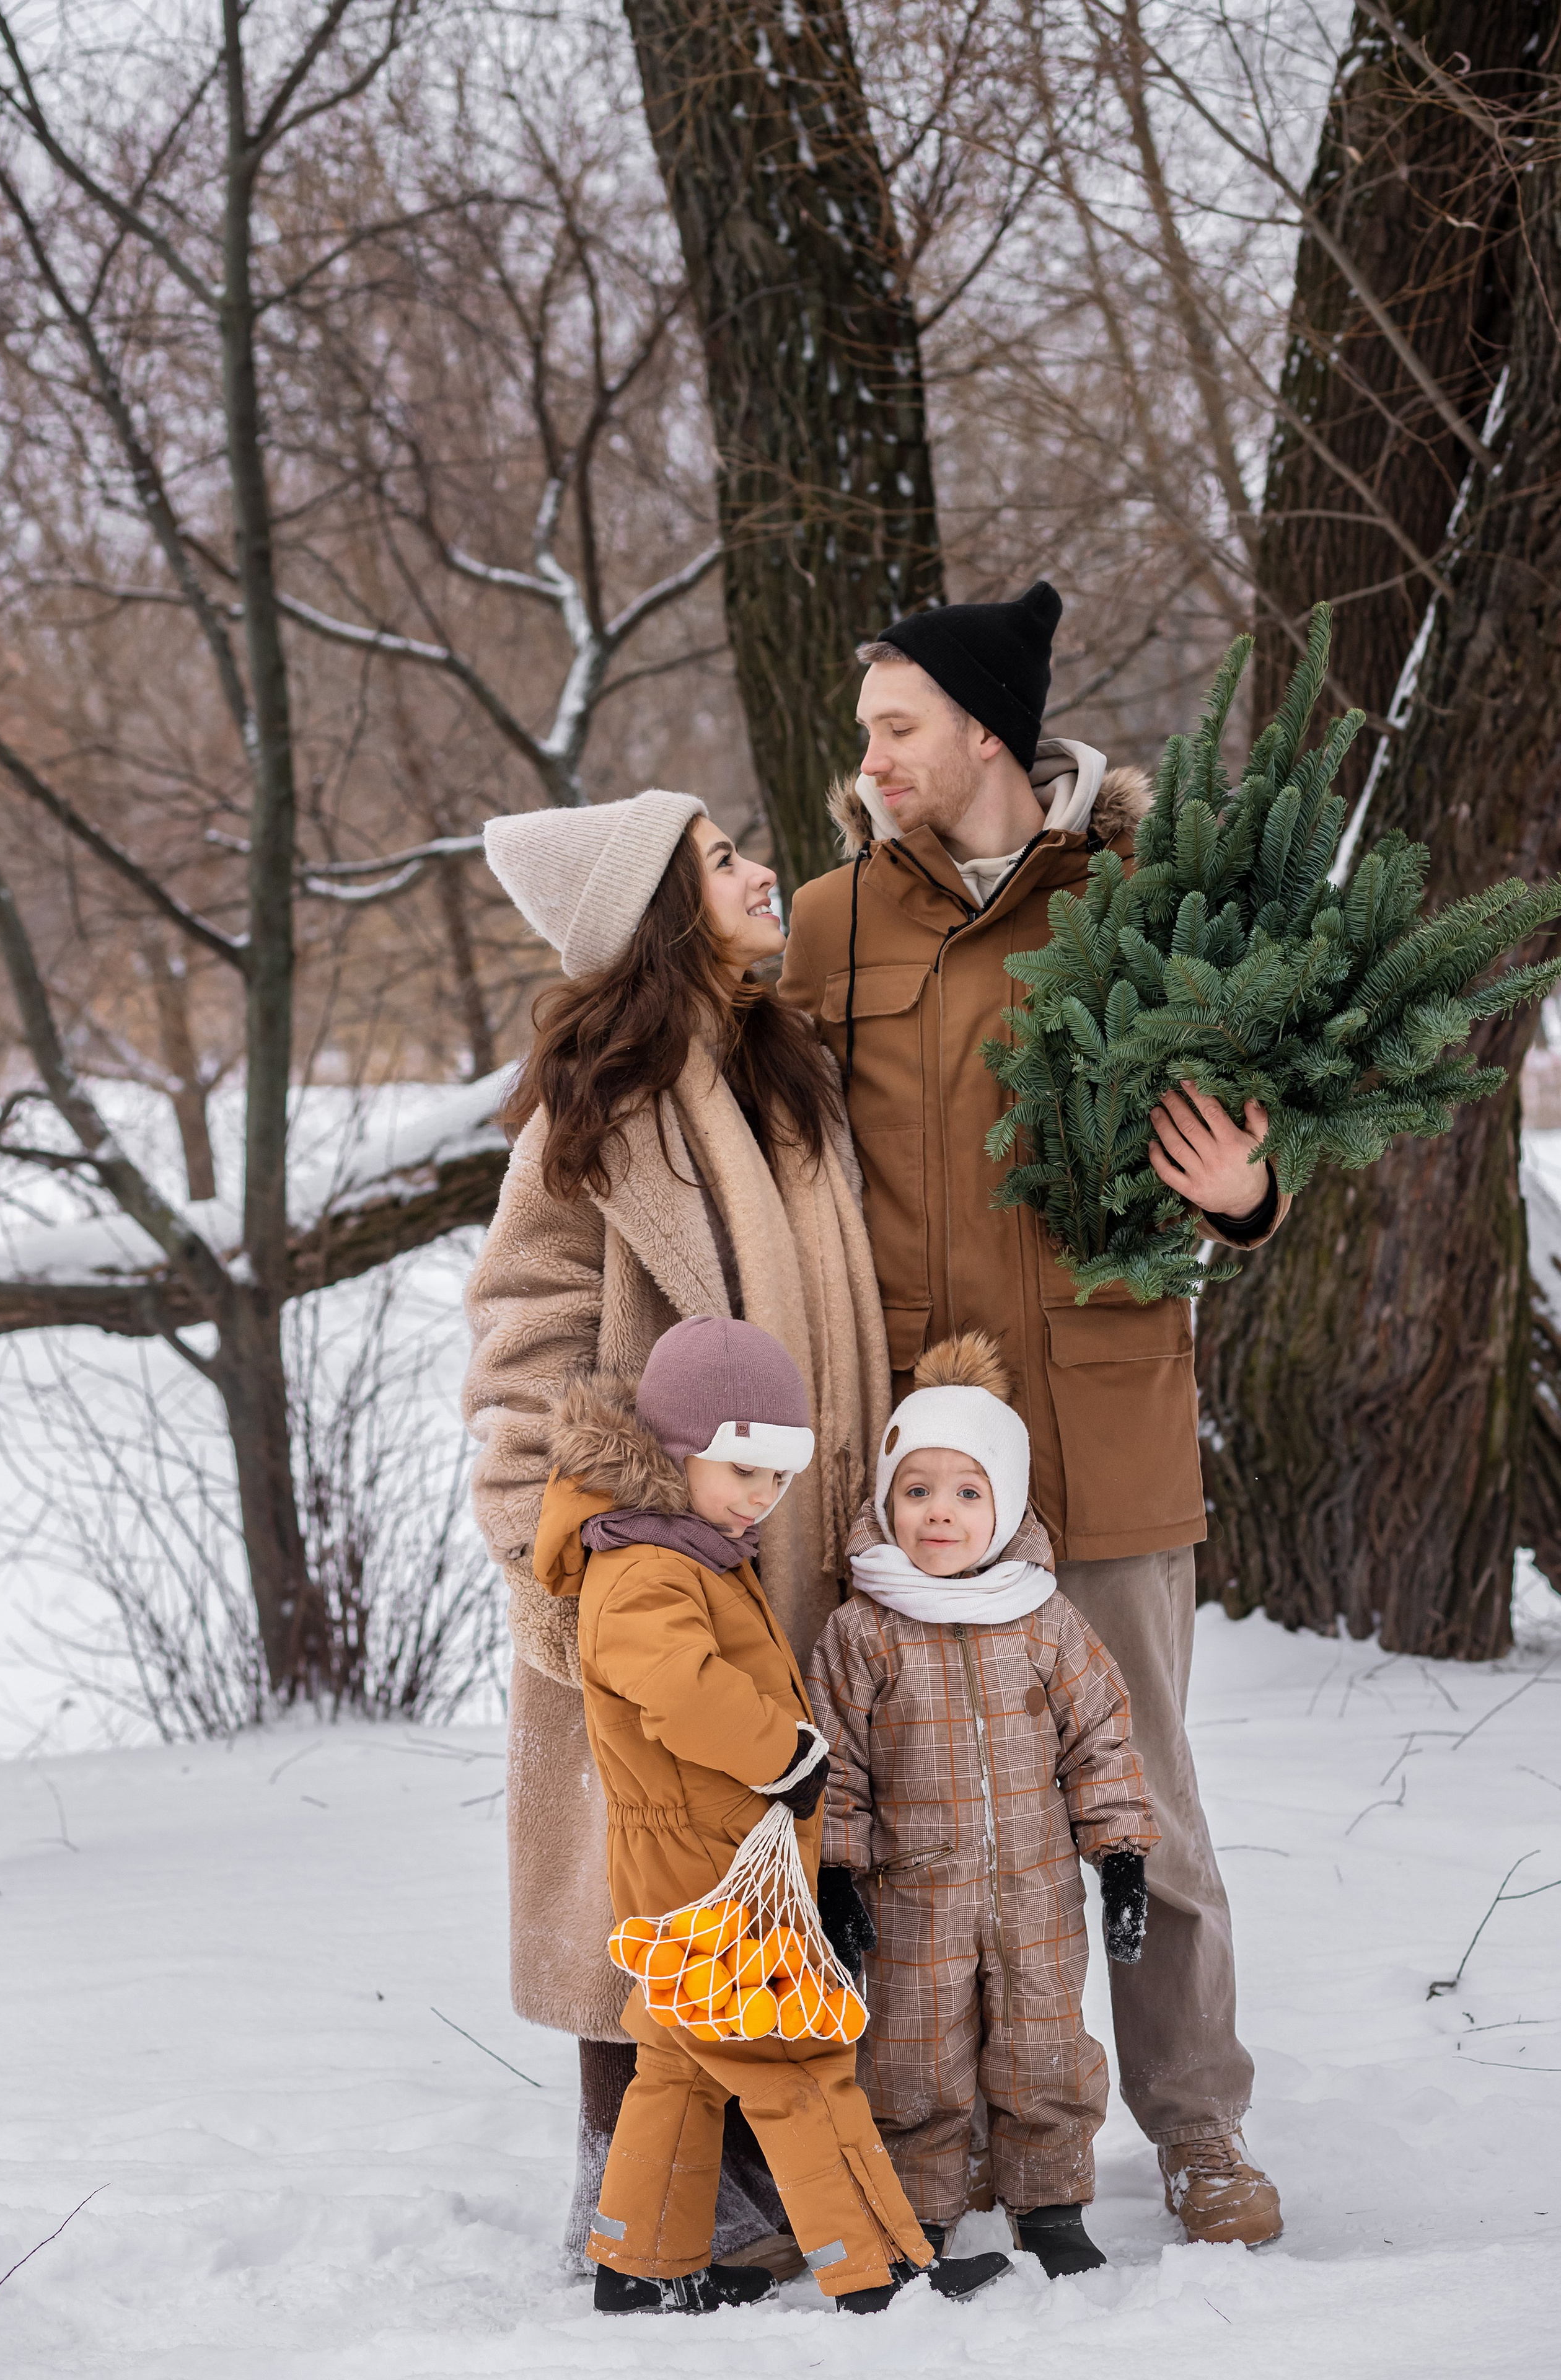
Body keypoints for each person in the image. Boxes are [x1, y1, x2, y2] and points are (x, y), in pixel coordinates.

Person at [778, 582, 1289, 2247]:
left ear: (987, 731)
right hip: (914, 1452)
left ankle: (1199, 2128)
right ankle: (960, 2128)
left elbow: (1276, 1117)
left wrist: (1250, 1197)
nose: (872, 758)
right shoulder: (830, 923)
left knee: (1141, 1795)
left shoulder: (1143, 904)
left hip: (1102, 1421)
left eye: (898, 727)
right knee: (919, 1819)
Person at [464, 791, 892, 2271]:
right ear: (656, 908)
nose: (760, 869)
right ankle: (641, 2192)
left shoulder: (777, 1077)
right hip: (651, 1572)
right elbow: (524, 1344)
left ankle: (772, 2167)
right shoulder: (596, 1109)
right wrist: (565, 1549)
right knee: (639, 1878)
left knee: (768, 1861)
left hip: (794, 1546)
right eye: (720, 861)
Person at [536, 1313, 1011, 2314]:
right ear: (675, 1451)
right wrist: (787, 1751)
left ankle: (635, 2266)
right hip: (703, 1860)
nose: (761, 1499)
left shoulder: (677, 1546)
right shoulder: (643, 1565)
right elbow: (676, 1685)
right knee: (796, 2056)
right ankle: (879, 2269)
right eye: (741, 1470)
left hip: (708, 1856)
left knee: (679, 2062)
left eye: (778, 1477)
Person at [807, 1333, 1158, 2278]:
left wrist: (1120, 1854)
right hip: (912, 1895)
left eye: (968, 1492)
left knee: (1045, 2046)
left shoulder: (1043, 1616)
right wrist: (837, 1874)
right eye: (917, 1491)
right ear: (888, 1502)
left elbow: (1101, 1740)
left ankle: (1050, 2205)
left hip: (1037, 1891)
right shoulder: (860, 1629)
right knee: (912, 2061)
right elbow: (833, 1767)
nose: (941, 1514)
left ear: (1003, 1505)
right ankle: (916, 2215)